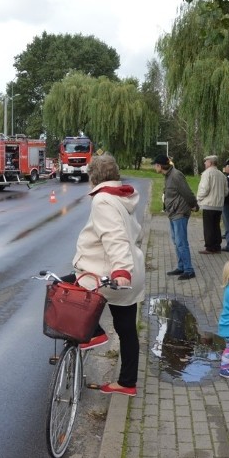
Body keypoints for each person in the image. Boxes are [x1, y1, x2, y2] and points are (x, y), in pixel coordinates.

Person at [72, 154, 146, 397]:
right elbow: (134, 234)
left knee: (64, 287)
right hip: (133, 276)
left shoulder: (103, 200)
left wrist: (121, 270)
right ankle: (127, 383)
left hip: (110, 275)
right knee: (126, 329)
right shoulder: (122, 197)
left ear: (93, 176)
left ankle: (93, 334)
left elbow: (114, 237)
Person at [153, 154, 198, 280]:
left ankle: (189, 270)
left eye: (155, 165)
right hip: (173, 212)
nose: (154, 167)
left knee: (181, 242)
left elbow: (187, 192)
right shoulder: (168, 175)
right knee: (176, 241)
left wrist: (194, 205)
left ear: (160, 165)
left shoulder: (176, 175)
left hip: (180, 212)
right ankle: (181, 267)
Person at [196, 155, 227, 254]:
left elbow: (204, 189)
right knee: (216, 226)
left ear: (210, 162)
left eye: (206, 161)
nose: (204, 163)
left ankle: (209, 247)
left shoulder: (207, 174)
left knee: (208, 227)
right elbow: (226, 191)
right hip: (219, 205)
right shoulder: (222, 175)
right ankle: (217, 246)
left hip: (208, 204)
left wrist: (198, 199)